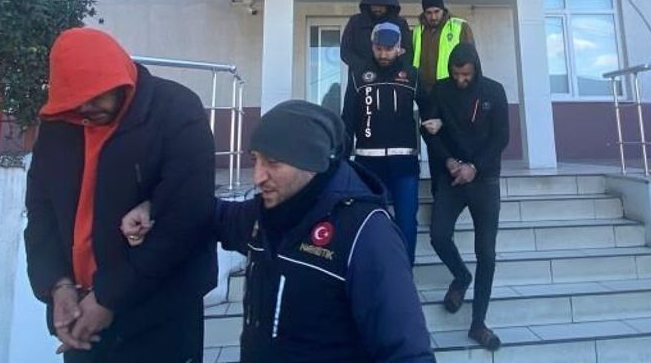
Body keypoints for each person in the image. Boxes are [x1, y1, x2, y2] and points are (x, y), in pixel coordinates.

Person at [121, 100, 435, 363]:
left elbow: (407, 351)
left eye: (273, 163)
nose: (258, 177)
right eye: (255, 160)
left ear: (312, 162)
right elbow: (209, 214)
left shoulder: (367, 233)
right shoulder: (263, 213)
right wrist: (155, 206)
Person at [23, 28, 217, 362]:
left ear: (118, 78)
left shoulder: (176, 110)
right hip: (83, 320)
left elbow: (186, 218)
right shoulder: (61, 123)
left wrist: (108, 297)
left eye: (95, 95)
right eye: (76, 100)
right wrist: (57, 285)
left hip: (160, 317)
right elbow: (41, 211)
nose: (86, 107)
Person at [420, 43, 509, 351]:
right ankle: (461, 276)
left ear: (476, 69)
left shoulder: (494, 91)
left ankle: (478, 324)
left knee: (486, 253)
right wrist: (448, 161)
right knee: (438, 236)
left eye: (466, 74)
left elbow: (501, 136)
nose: (461, 79)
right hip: (452, 177)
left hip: (485, 179)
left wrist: (475, 167)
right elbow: (429, 131)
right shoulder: (440, 90)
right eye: (456, 74)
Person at [342, 21, 432, 264]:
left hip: (405, 164)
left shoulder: (412, 74)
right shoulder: (358, 74)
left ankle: (404, 274)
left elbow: (429, 110)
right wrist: (341, 161)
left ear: (399, 47)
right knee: (370, 222)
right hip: (367, 166)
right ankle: (374, 274)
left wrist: (435, 122)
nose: (383, 54)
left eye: (389, 49)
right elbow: (347, 119)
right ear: (372, 46)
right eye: (379, 48)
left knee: (406, 222)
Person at [411, 0, 475, 91]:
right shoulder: (417, 31)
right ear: (424, 13)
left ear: (443, 9)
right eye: (429, 13)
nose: (433, 17)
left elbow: (472, 60)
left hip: (451, 87)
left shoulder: (460, 27)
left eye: (437, 11)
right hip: (423, 90)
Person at [340, 0, 413, 72]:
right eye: (374, 5)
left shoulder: (400, 23)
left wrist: (392, 69)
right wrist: (364, 67)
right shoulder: (356, 22)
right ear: (368, 5)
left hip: (392, 75)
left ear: (388, 6)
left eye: (381, 6)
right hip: (361, 75)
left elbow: (406, 52)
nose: (378, 9)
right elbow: (346, 51)